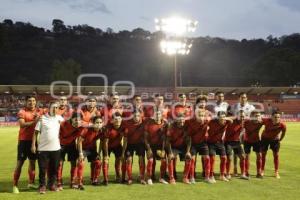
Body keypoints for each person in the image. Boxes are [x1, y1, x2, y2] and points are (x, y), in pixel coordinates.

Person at [12, 95, 43, 194]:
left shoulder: (39, 111)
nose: (32, 102)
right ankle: (15, 185)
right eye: (29, 101)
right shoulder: (22, 111)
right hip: (23, 141)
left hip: (34, 141)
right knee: (20, 163)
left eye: (34, 101)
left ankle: (31, 183)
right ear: (26, 102)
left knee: (33, 162)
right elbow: (22, 124)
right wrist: (35, 121)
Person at [32, 102, 64, 194]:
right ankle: (42, 186)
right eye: (53, 107)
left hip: (56, 148)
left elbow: (68, 127)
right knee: (42, 169)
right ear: (49, 108)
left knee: (54, 168)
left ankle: (52, 185)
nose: (55, 109)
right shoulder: (42, 118)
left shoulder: (59, 118)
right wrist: (33, 145)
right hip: (43, 149)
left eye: (56, 108)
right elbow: (35, 132)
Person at [57, 112, 84, 190]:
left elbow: (79, 140)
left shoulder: (81, 126)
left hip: (71, 145)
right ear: (71, 119)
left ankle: (72, 182)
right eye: (75, 120)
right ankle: (59, 182)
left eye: (79, 120)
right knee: (60, 163)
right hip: (61, 145)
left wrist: (80, 152)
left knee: (73, 163)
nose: (77, 122)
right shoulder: (63, 124)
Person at [77, 116, 104, 190]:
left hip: (92, 149)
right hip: (83, 149)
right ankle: (79, 183)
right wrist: (80, 153)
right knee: (81, 163)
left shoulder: (101, 131)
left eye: (100, 122)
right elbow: (79, 141)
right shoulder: (86, 129)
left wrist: (99, 152)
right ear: (93, 123)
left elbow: (102, 142)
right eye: (97, 122)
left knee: (98, 162)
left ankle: (94, 180)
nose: (99, 124)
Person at [186, 109, 213, 184]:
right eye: (200, 116)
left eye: (203, 116)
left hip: (203, 144)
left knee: (207, 158)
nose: (202, 118)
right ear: (196, 116)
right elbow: (189, 136)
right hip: (193, 144)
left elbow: (217, 117)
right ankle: (191, 177)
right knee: (192, 160)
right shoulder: (191, 123)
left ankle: (207, 177)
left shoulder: (207, 122)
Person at [144, 111, 169, 185]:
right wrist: (148, 149)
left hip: (160, 146)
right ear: (153, 116)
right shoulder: (148, 124)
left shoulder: (165, 124)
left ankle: (161, 178)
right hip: (151, 146)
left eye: (159, 114)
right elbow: (145, 138)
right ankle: (149, 178)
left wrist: (163, 150)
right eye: (156, 114)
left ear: (162, 116)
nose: (157, 116)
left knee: (164, 160)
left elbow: (166, 138)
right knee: (151, 160)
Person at [207, 111, 232, 182]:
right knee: (212, 159)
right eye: (220, 117)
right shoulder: (212, 122)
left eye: (223, 117)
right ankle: (211, 176)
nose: (222, 119)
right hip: (211, 143)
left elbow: (233, 119)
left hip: (220, 143)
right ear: (217, 117)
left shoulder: (226, 122)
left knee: (224, 158)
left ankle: (222, 175)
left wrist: (225, 118)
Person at [122, 111, 146, 185]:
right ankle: (129, 178)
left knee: (141, 159)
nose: (136, 117)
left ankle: (142, 178)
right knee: (129, 160)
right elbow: (125, 140)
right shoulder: (128, 124)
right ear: (132, 116)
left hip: (140, 144)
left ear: (140, 116)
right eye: (135, 116)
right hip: (130, 144)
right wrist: (123, 152)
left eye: (138, 116)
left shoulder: (143, 123)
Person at [261, 111, 286, 179]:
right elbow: (258, 122)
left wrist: (280, 139)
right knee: (263, 154)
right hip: (265, 139)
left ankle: (276, 171)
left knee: (276, 155)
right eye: (275, 117)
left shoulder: (282, 125)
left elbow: (283, 133)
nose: (277, 118)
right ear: (271, 117)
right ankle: (262, 170)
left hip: (275, 140)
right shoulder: (266, 121)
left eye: (278, 117)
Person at [224, 110, 248, 180]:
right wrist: (230, 118)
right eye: (241, 116)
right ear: (237, 116)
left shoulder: (244, 122)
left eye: (243, 116)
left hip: (237, 142)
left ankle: (243, 174)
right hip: (228, 142)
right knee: (229, 158)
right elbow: (223, 118)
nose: (242, 118)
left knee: (243, 157)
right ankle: (228, 174)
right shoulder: (232, 120)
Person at [103, 112, 125, 184]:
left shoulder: (123, 127)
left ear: (121, 119)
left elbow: (125, 139)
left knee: (119, 160)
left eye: (119, 119)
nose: (117, 121)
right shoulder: (108, 128)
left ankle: (118, 176)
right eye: (115, 119)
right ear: (112, 120)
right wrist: (106, 155)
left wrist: (123, 152)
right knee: (105, 160)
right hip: (107, 146)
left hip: (117, 145)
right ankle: (105, 179)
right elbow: (105, 142)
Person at [166, 113, 188, 184]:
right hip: (174, 147)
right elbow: (168, 141)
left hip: (183, 147)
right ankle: (171, 178)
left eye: (183, 120)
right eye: (180, 120)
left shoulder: (187, 127)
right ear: (177, 120)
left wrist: (188, 151)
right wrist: (170, 153)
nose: (181, 121)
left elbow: (189, 140)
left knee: (189, 157)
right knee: (170, 158)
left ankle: (185, 177)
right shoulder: (172, 127)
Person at [243, 111, 264, 178]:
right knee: (247, 156)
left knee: (259, 155)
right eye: (256, 115)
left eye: (258, 115)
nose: (257, 117)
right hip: (247, 141)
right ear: (252, 116)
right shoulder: (246, 122)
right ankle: (246, 172)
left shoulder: (261, 122)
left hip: (257, 141)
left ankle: (259, 172)